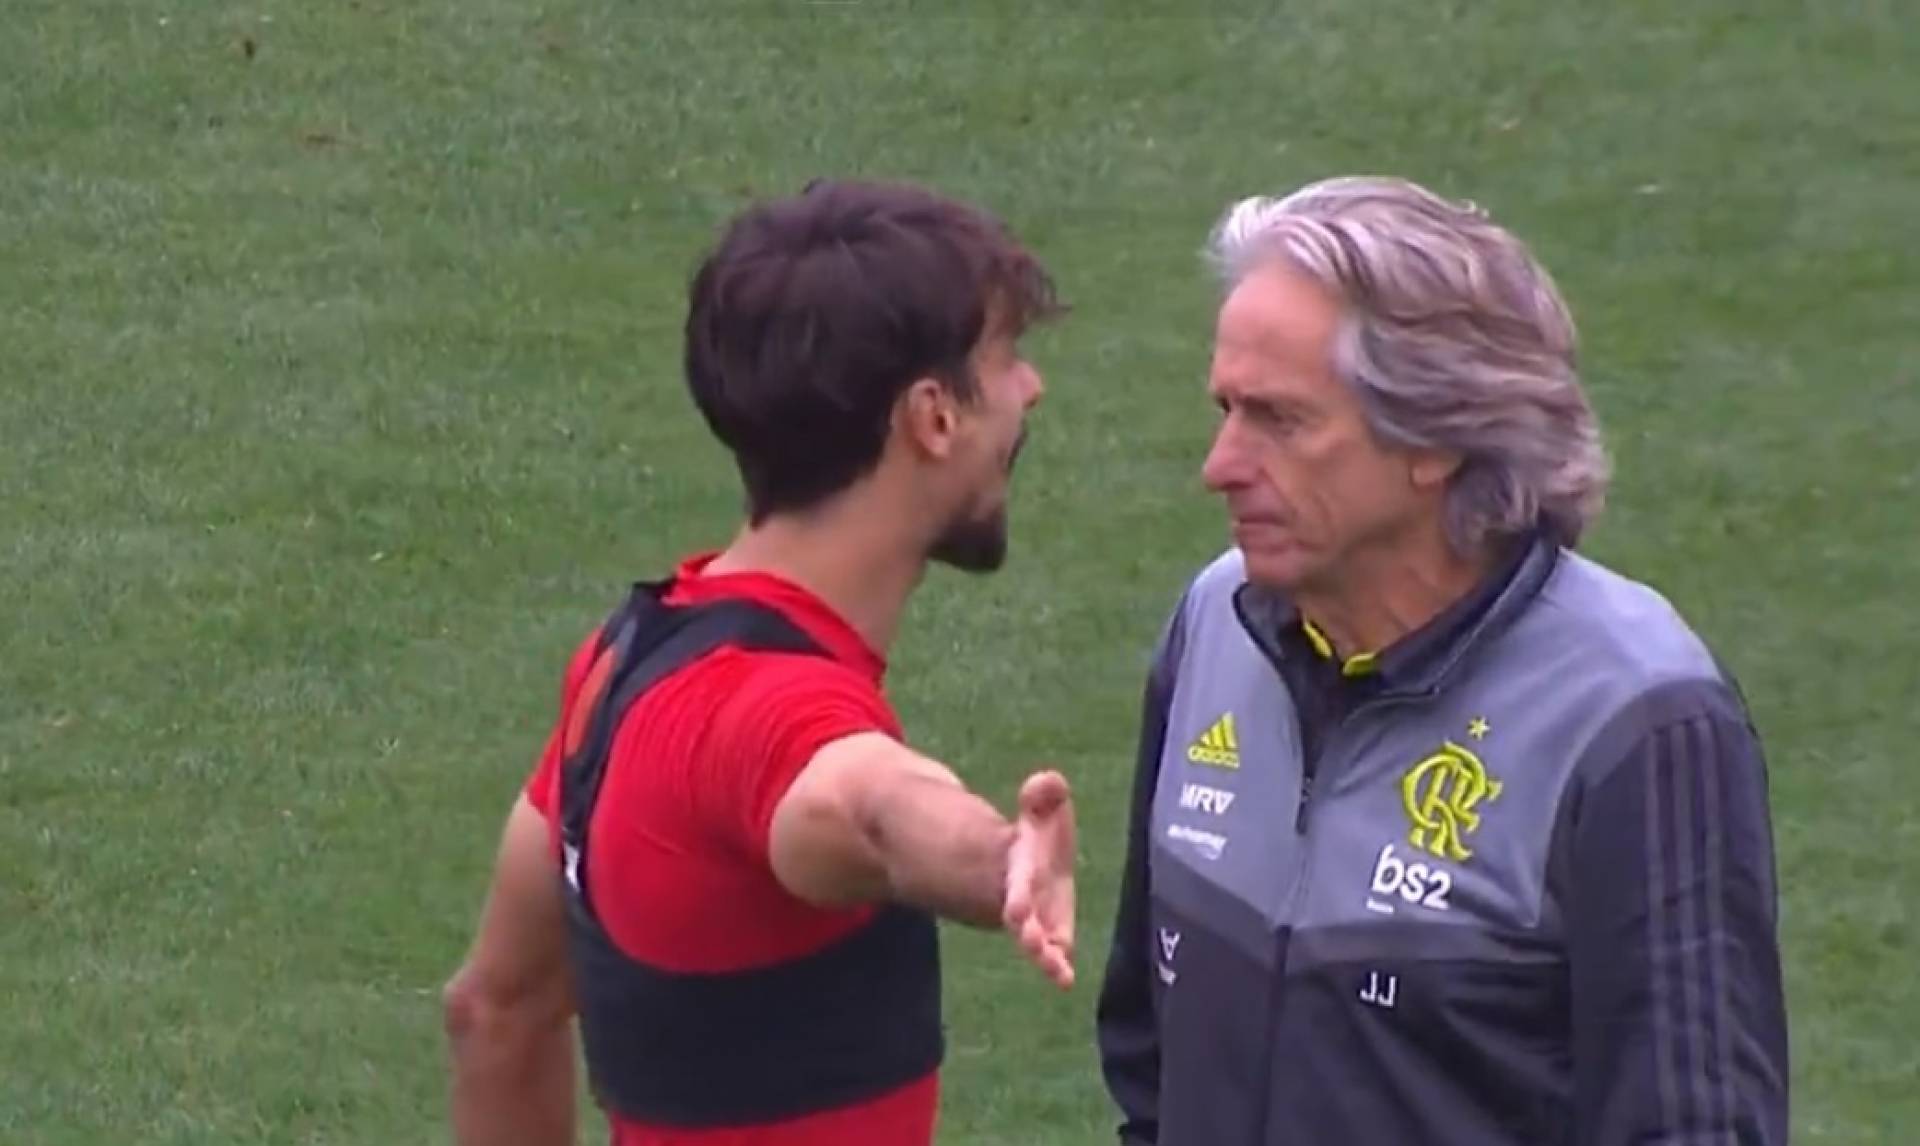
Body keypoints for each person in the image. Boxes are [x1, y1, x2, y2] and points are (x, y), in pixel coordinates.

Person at [1096, 176, 1788, 1145]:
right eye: (1227, 409)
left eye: (1280, 420)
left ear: (1433, 440)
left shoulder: (1634, 719)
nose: (1221, 465)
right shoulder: (1216, 626)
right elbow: (1151, 1072)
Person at [441, 179, 1077, 1146]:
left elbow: (496, 1011)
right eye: (1005, 359)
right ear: (934, 417)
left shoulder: (626, 660)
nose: (1030, 388)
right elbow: (865, 805)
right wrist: (998, 859)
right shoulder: (759, 709)